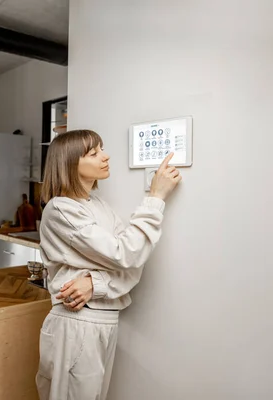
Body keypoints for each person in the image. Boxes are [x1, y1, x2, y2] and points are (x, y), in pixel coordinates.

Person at [35, 130, 181, 400]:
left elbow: (133, 263)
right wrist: (156, 197)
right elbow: (126, 253)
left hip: (103, 321)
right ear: (69, 164)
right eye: (94, 153)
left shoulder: (100, 206)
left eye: (101, 149)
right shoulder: (59, 209)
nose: (105, 156)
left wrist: (96, 283)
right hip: (76, 321)